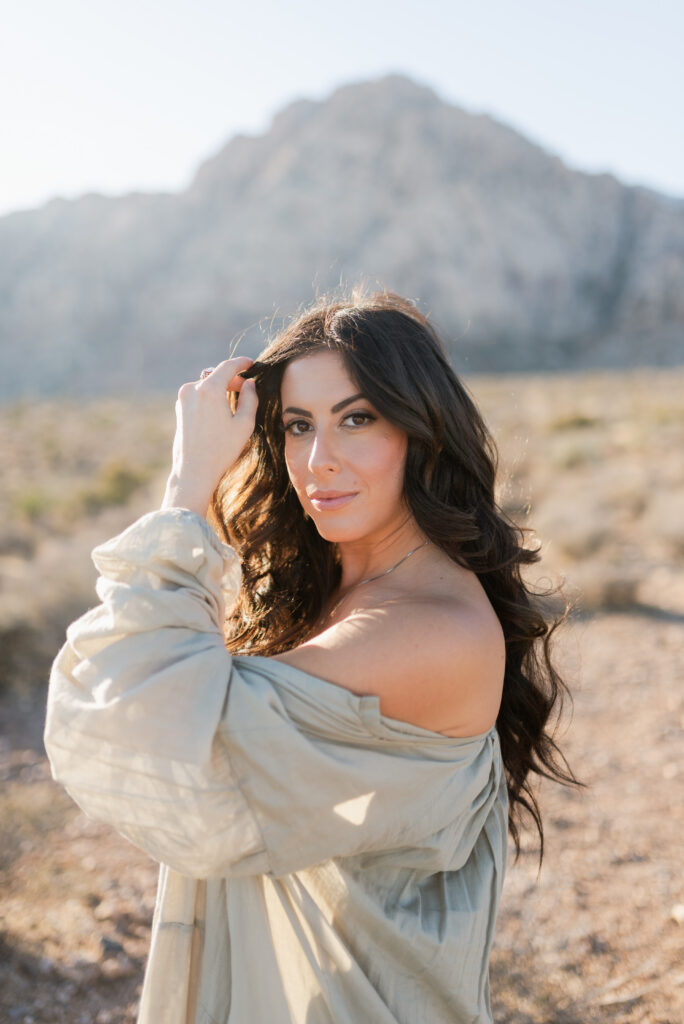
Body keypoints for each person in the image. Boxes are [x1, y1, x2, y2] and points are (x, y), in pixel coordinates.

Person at [44, 287, 580, 1024]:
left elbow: (140, 716)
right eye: (298, 426)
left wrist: (185, 486)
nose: (318, 460)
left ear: (422, 433)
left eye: (357, 419)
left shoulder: (432, 629)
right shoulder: (329, 593)